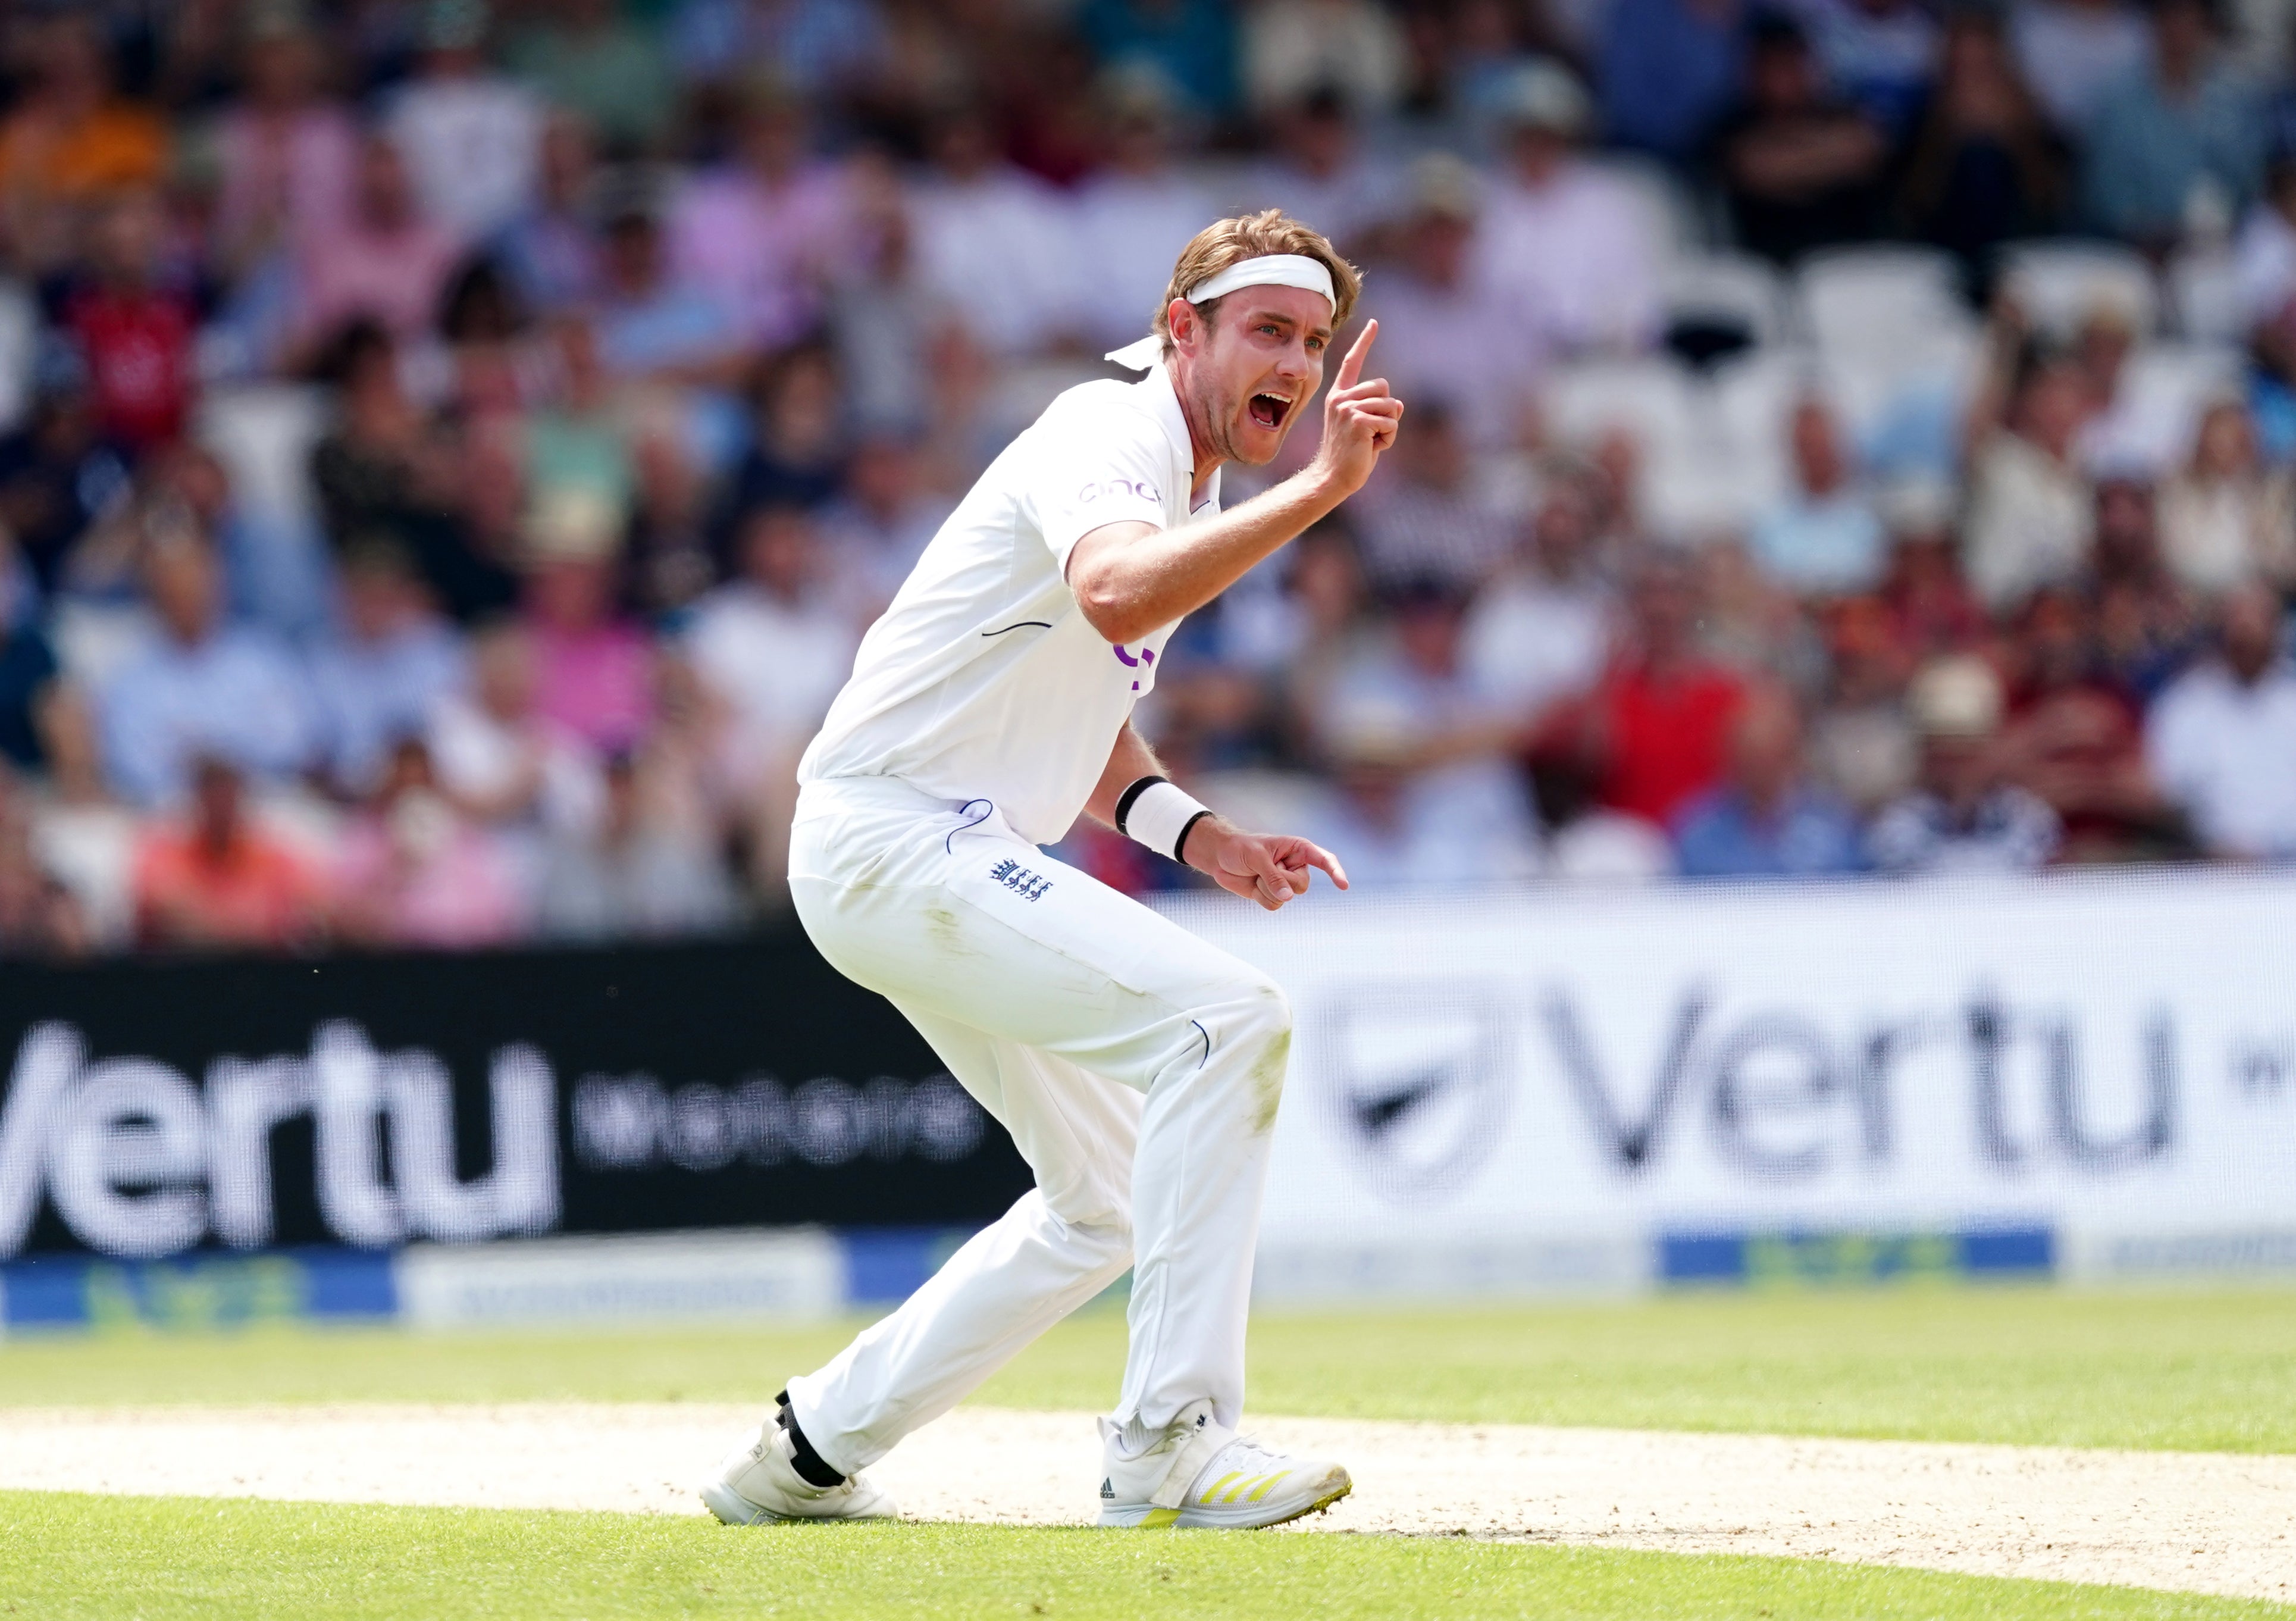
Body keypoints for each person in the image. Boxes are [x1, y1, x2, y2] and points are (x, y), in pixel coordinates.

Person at [701, 211, 1401, 1530]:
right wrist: (1317, 493)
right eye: (1268, 333)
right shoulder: (1108, 431)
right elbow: (1121, 601)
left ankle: (804, 1452)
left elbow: (1078, 700)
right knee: (1229, 1019)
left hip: (910, 849)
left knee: (1102, 1202)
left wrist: (1197, 835)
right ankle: (1172, 1449)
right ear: (1180, 331)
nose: (1298, 368)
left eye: (1312, 342)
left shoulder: (1182, 479)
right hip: (898, 839)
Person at [1868, 654, 2063, 872]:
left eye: (1967, 753)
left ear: (1992, 747)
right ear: (1925, 754)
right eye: (1944, 754)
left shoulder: (2030, 820)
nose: (1956, 768)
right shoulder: (1895, 825)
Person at [2145, 580, 2296, 858]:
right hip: (2206, 866)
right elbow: (2166, 794)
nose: (2247, 636)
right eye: (2238, 626)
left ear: (2277, 631)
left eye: (2257, 625)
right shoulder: (2185, 704)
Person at [1672, 686, 1865, 877]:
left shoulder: (1835, 827)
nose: (1755, 770)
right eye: (1746, 757)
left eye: (1765, 757)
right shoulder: (1697, 830)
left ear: (1791, 755)